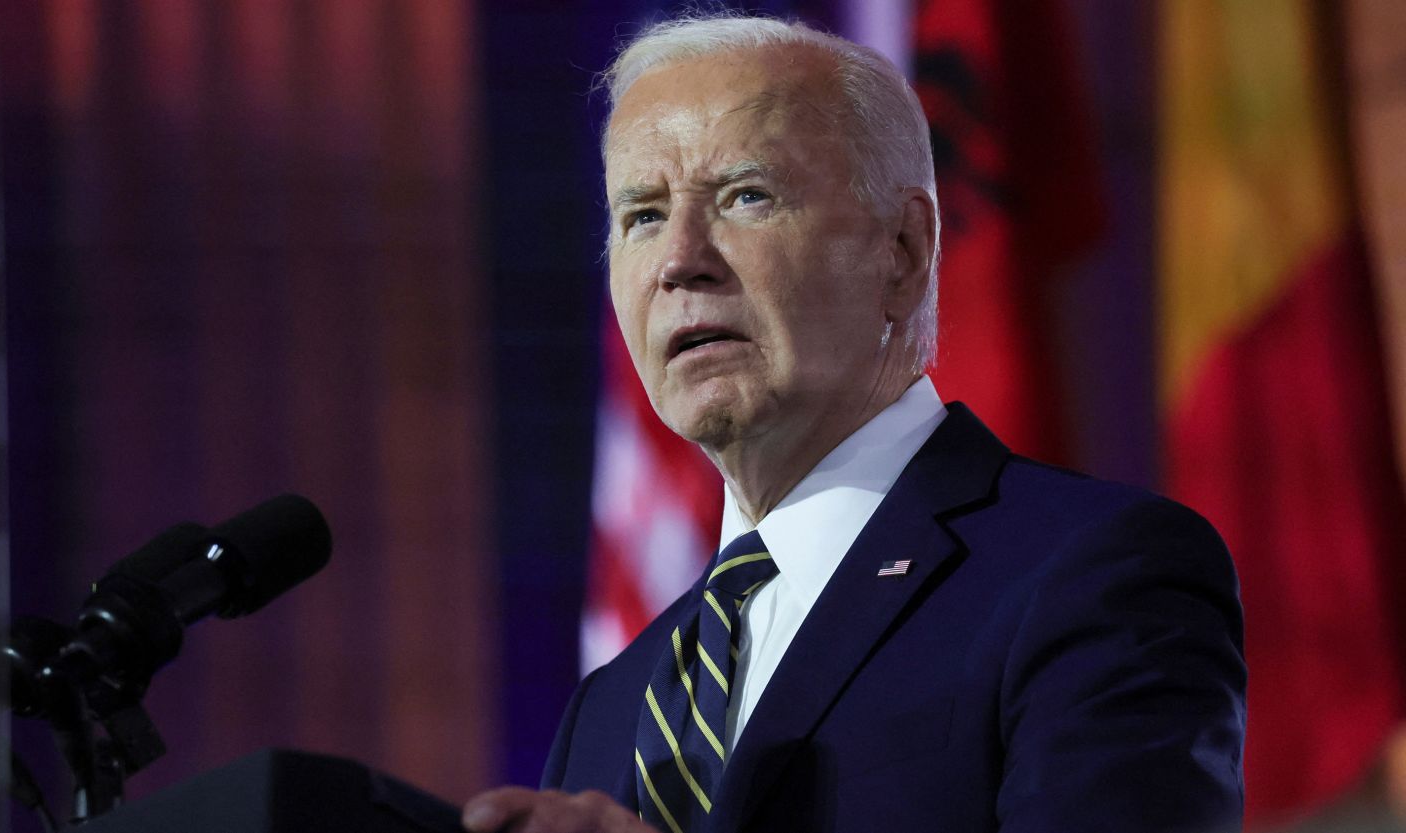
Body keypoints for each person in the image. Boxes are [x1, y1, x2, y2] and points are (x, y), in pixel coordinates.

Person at [464, 13, 1245, 833]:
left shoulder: (1094, 576)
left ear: (903, 250)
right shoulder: (610, 704)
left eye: (745, 196)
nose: (678, 260)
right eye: (642, 215)